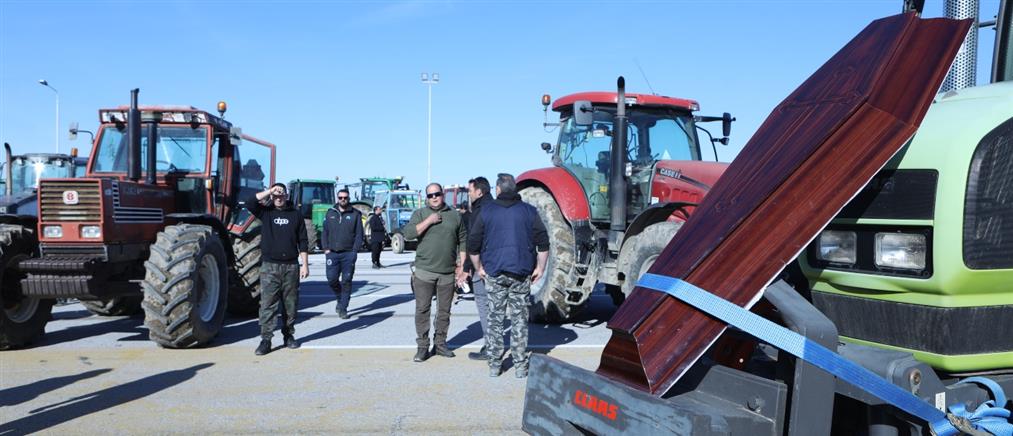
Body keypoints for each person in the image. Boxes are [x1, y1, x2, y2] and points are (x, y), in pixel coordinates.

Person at [468, 173, 549, 378]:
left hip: (494, 273)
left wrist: (479, 268)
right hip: (521, 273)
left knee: (495, 319)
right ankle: (520, 366)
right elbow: (543, 242)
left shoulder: (486, 211)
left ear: (498, 189)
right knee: (519, 320)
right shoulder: (529, 211)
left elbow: (473, 244)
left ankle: (495, 365)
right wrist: (540, 267)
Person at [402, 183, 468, 363]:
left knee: (444, 311)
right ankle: (422, 347)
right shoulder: (420, 214)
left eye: (437, 194)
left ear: (442, 195)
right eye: (430, 195)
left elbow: (463, 240)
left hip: (447, 272)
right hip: (424, 271)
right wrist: (429, 221)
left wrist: (462, 266)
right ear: (427, 198)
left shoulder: (454, 215)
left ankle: (440, 344)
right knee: (422, 310)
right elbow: (408, 234)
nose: (434, 198)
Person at [244, 183, 310, 356]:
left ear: (286, 196)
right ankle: (266, 339)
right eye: (276, 196)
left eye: (281, 195)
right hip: (270, 266)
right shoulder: (266, 212)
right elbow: (249, 202)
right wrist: (270, 191)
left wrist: (305, 264)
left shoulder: (295, 214)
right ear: (272, 197)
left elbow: (303, 240)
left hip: (291, 266)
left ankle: (288, 335)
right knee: (268, 305)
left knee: (290, 305)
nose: (278, 198)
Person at [461, 176, 493, 361]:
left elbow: (473, 242)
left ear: (479, 192)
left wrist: (468, 268)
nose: (469, 194)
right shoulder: (498, 208)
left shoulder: (479, 211)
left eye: (470, 191)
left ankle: (491, 347)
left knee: (484, 305)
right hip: (502, 265)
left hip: (483, 266)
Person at [321, 188, 364, 319]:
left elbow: (359, 234)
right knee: (331, 279)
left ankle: (343, 308)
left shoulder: (355, 214)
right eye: (340, 198)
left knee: (346, 280)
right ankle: (340, 297)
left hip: (348, 254)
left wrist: (354, 251)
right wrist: (326, 249)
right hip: (332, 253)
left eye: (345, 198)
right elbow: (325, 232)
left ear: (348, 198)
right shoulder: (330, 213)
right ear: (337, 198)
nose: (343, 200)